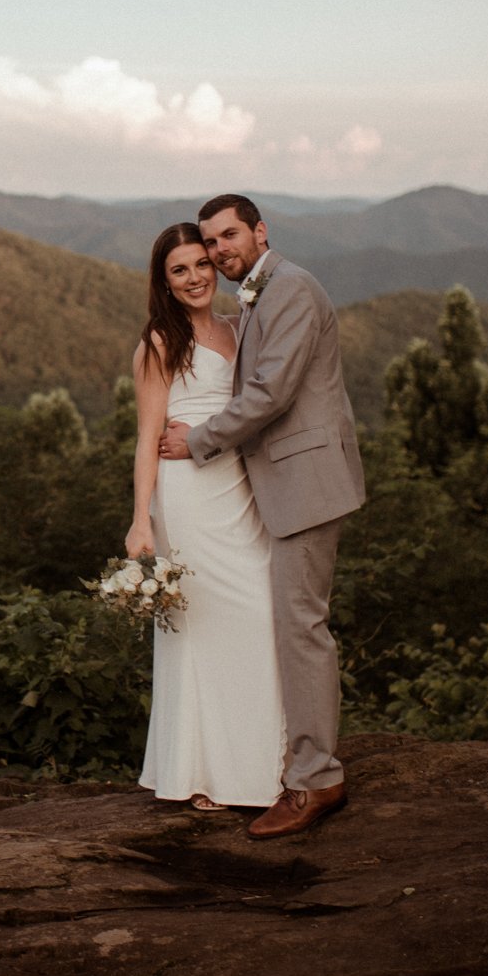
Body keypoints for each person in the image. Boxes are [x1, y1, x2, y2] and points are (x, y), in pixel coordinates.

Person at [158, 194, 365, 839]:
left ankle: (315, 783)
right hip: (278, 487)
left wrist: (197, 441)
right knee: (293, 623)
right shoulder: (257, 294)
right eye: (212, 242)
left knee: (301, 627)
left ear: (259, 231)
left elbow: (271, 393)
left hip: (304, 483)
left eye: (229, 236)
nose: (220, 251)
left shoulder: (291, 289)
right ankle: (298, 766)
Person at [128, 223, 286, 812]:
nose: (195, 277)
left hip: (239, 487)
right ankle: (203, 774)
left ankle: (259, 766)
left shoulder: (237, 329)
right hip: (188, 497)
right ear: (163, 282)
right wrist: (141, 520)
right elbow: (146, 438)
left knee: (260, 614)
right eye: (179, 270)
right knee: (204, 627)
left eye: (201, 264)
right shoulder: (158, 342)